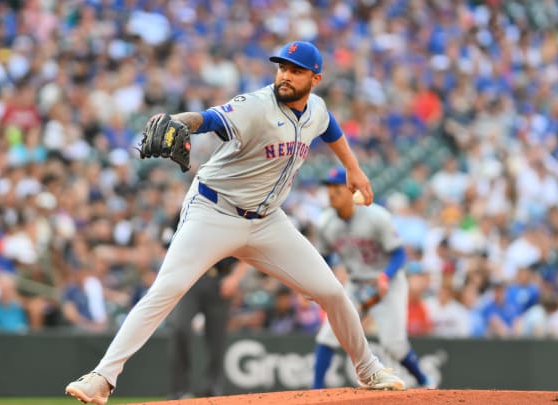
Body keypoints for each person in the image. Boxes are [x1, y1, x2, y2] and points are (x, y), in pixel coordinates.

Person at [65, 41, 405, 404]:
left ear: (315, 78)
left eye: (295, 70)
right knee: (167, 288)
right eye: (282, 68)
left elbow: (329, 127)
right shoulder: (256, 106)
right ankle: (102, 377)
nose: (285, 75)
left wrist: (353, 169)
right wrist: (181, 122)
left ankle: (369, 369)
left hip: (267, 221)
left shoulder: (316, 109)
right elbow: (209, 119)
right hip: (214, 211)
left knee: (333, 293)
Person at [311, 167, 434, 389]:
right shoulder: (326, 223)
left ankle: (425, 381)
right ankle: (315, 390)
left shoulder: (376, 216)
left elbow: (399, 253)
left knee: (394, 344)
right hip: (356, 283)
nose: (331, 192)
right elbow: (325, 258)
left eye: (337, 187)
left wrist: (385, 277)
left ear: (350, 191)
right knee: (328, 335)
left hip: (387, 283)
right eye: (328, 188)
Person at [167, 257, 248, 400]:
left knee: (216, 338)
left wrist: (235, 278)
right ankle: (179, 390)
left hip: (220, 280)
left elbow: (247, 250)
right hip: (189, 279)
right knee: (180, 327)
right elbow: (166, 248)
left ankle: (212, 389)